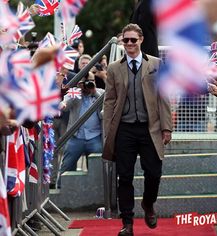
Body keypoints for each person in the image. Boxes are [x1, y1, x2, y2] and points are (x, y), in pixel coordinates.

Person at [102, 23, 172, 236]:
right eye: (126, 40)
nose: (129, 44)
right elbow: (109, 101)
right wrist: (108, 131)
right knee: (124, 177)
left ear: (141, 39)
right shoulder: (114, 68)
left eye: (133, 39)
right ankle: (127, 223)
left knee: (154, 173)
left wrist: (166, 127)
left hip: (150, 128)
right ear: (122, 42)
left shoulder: (156, 64)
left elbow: (164, 97)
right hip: (124, 129)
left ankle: (148, 204)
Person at [57, 73, 104, 188]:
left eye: (91, 81)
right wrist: (75, 92)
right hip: (75, 137)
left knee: (98, 167)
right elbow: (66, 103)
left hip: (95, 137)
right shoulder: (75, 92)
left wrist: (94, 92)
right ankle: (60, 188)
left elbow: (107, 106)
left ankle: (97, 191)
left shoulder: (101, 93)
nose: (88, 84)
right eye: (86, 81)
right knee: (66, 167)